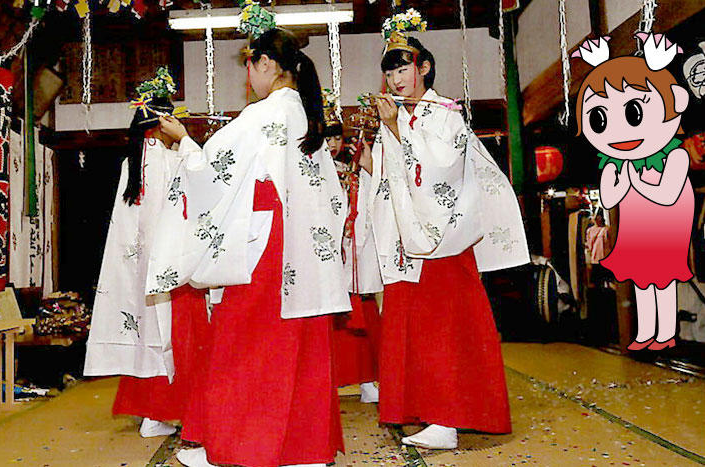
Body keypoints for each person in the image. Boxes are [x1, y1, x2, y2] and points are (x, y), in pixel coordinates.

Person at [146, 28, 350, 467]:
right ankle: (305, 450)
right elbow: (334, 198)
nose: (249, 77)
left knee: (243, 346)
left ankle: (232, 446)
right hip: (306, 248)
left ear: (266, 65)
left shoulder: (265, 115)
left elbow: (211, 169)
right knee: (302, 349)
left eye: (250, 65)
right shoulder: (306, 115)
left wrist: (183, 141)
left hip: (267, 247)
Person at [366, 19, 529, 450]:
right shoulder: (402, 117)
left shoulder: (445, 115)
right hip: (409, 242)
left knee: (443, 329)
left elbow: (440, 171)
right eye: (390, 71)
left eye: (403, 68)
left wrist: (398, 131)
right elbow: (394, 179)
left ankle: (447, 418)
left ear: (424, 68)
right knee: (412, 327)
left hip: (443, 240)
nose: (395, 79)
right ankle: (426, 410)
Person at [83, 70, 208, 438]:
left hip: (140, 268)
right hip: (171, 267)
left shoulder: (133, 162)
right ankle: (163, 411)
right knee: (174, 339)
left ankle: (151, 412)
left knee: (147, 336)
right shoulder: (171, 160)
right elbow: (204, 181)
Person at [573, 33, 693, 351]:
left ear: (675, 103)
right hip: (636, 230)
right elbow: (610, 200)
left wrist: (634, 182)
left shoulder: (676, 155)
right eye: (599, 119)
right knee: (642, 281)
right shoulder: (616, 164)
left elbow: (668, 195)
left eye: (633, 114)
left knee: (663, 281)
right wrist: (616, 178)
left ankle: (665, 331)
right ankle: (645, 332)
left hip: (666, 229)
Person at [323, 91, 382, 403]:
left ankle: (368, 379)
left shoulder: (351, 168)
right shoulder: (312, 170)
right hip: (323, 251)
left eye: (335, 138)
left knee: (363, 310)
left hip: (350, 245)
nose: (331, 145)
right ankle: (326, 381)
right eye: (326, 138)